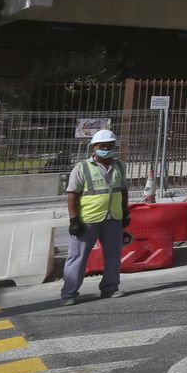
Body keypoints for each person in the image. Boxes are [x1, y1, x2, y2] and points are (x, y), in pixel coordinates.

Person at [61, 129, 131, 305]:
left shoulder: (119, 166)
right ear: (94, 147)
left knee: (113, 255)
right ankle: (69, 293)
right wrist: (74, 220)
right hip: (88, 220)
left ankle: (110, 288)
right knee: (77, 257)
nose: (106, 149)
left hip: (113, 218)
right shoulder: (82, 168)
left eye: (109, 146)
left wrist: (125, 212)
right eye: (102, 146)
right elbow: (72, 195)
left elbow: (123, 191)